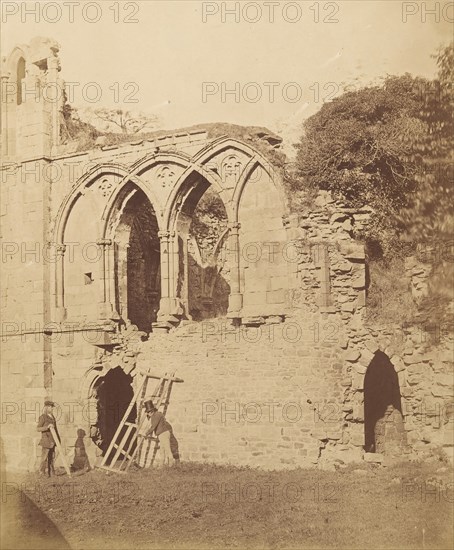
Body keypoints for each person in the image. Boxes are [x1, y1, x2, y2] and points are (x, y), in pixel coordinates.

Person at [142, 400, 179, 466]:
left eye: (148, 412)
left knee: (167, 449)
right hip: (161, 434)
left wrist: (146, 434)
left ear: (151, 411)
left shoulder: (156, 415)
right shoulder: (157, 415)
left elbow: (153, 427)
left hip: (163, 433)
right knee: (162, 450)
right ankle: (161, 465)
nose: (148, 414)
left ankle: (171, 465)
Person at [37, 400, 60, 476]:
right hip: (46, 441)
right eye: (50, 407)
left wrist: (58, 440)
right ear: (46, 407)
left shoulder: (52, 417)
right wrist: (47, 427)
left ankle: (51, 473)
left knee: (51, 458)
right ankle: (42, 473)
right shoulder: (43, 417)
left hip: (53, 441)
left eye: (52, 407)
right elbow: (38, 428)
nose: (52, 408)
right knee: (44, 458)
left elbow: (56, 429)